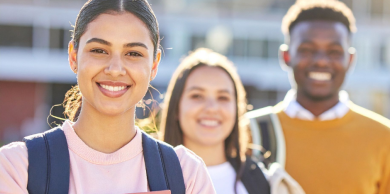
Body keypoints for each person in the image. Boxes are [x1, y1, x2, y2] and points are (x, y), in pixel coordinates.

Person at [0, 0, 215, 193]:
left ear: (154, 64)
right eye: (99, 50)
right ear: (74, 56)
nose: (115, 69)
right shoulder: (17, 168)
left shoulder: (186, 175)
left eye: (133, 54)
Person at [247, 0, 390, 194]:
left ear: (350, 60)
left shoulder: (384, 138)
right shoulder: (247, 131)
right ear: (286, 56)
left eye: (334, 52)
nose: (321, 61)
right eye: (307, 50)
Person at [160, 48, 304, 194]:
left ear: (237, 109)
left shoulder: (267, 183)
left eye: (223, 97)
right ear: (176, 107)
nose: (211, 108)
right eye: (197, 96)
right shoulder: (144, 175)